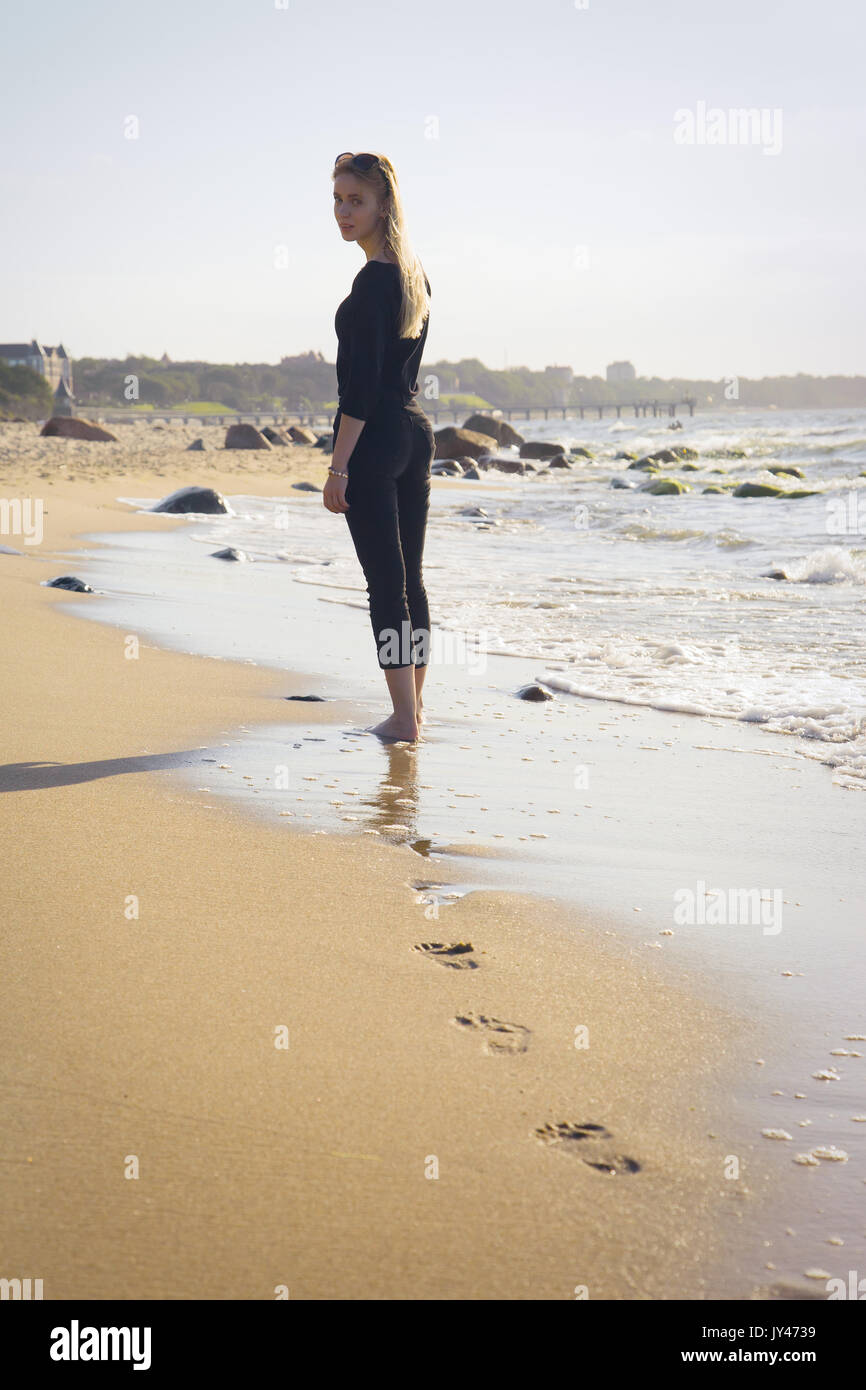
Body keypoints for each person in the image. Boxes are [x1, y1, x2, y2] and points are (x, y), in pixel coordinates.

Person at [324, 150, 435, 743]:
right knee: (410, 580)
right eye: (338, 200)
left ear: (384, 204)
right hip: (415, 433)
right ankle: (413, 709)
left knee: (386, 586)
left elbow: (359, 389)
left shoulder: (371, 283)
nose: (344, 212)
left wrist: (338, 465)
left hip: (376, 439)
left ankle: (402, 720)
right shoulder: (415, 275)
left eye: (356, 200)